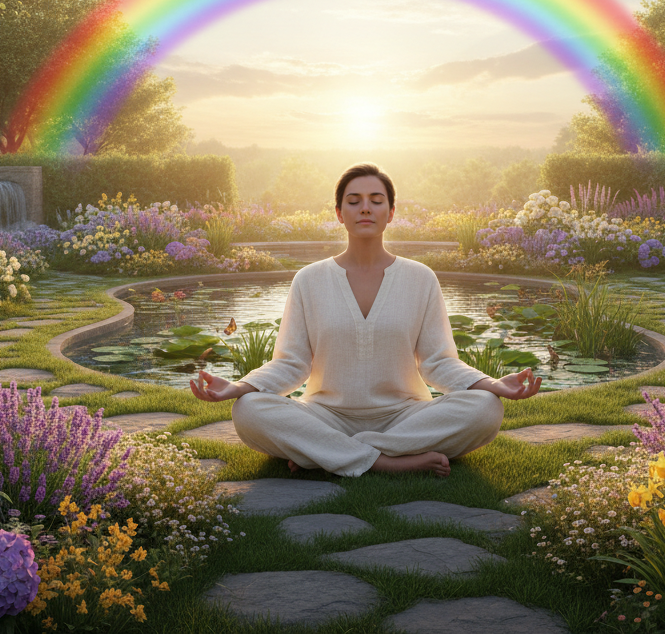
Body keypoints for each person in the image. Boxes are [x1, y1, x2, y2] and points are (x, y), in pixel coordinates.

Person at [189, 162, 541, 477]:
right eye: (354, 200)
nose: (366, 208)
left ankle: (326, 453)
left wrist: (491, 385)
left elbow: (438, 362)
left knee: (485, 409)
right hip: (325, 414)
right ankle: (387, 461)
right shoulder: (309, 280)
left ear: (390, 212)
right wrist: (239, 388)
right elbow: (291, 363)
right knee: (249, 410)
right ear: (340, 213)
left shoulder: (420, 279)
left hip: (405, 416)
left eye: (376, 199)